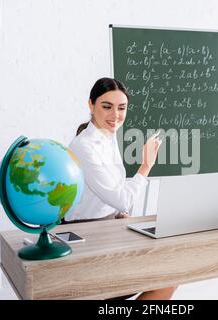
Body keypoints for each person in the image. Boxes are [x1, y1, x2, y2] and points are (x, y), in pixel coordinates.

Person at [63, 77, 177, 300]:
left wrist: (117, 212)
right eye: (107, 107)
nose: (115, 115)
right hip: (87, 236)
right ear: (91, 105)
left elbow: (113, 190)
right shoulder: (84, 146)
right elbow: (123, 198)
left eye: (121, 108)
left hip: (110, 227)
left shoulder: (108, 135)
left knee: (171, 272)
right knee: (165, 278)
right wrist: (146, 166)